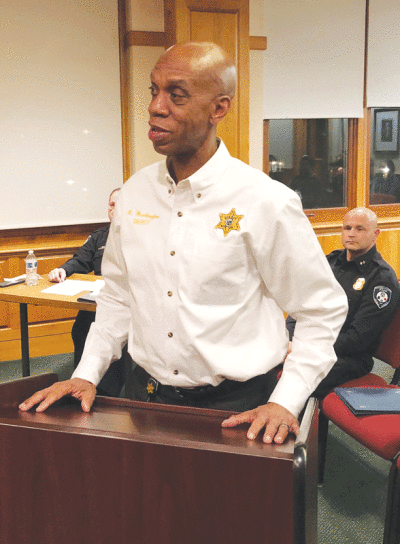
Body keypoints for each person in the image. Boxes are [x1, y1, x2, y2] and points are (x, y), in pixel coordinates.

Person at [20, 42, 348, 445]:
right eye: (153, 90)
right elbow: (119, 296)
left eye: (176, 95)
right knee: (145, 506)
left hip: (236, 407)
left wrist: (286, 399)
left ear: (218, 109)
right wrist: (86, 373)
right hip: (144, 397)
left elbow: (321, 309)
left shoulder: (265, 201)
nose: (156, 107)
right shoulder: (135, 194)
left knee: (226, 510)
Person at [287, 207, 400, 397]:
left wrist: (304, 347)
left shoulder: (381, 279)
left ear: (375, 234)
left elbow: (357, 340)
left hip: (348, 358)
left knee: (288, 378)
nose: (351, 234)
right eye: (347, 228)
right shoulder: (331, 261)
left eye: (359, 229)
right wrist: (288, 337)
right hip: (311, 344)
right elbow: (301, 306)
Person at [47, 188, 125, 397]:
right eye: (111, 204)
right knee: (82, 327)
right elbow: (80, 259)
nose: (114, 209)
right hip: (97, 300)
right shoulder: (99, 236)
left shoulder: (142, 236)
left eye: (120, 204)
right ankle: (82, 380)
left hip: (125, 304)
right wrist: (63, 269)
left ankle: (108, 392)